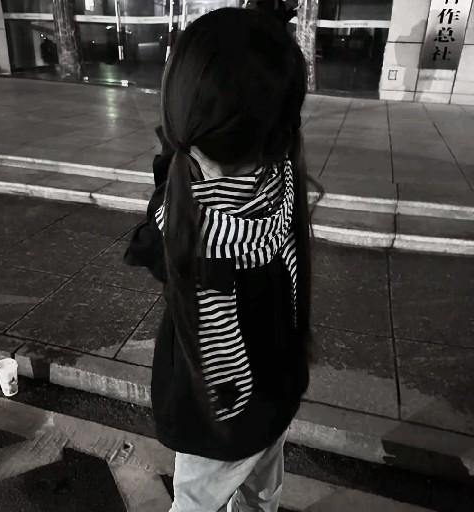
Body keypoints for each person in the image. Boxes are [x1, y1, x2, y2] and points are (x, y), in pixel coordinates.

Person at [124, 7, 313, 511]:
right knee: (261, 496)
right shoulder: (283, 186)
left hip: (213, 415)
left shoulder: (179, 222)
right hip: (276, 395)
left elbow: (155, 233)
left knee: (195, 504)